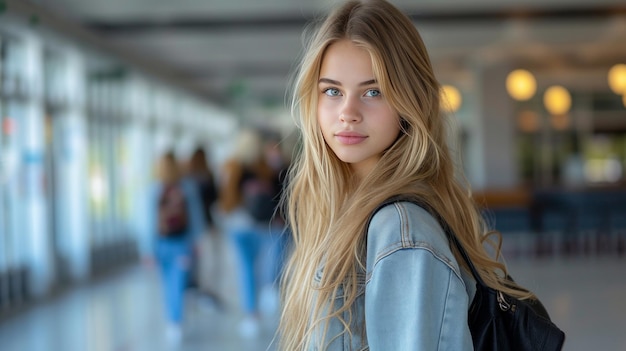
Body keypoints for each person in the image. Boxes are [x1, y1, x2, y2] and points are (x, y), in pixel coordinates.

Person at [277, 1, 539, 350]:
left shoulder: (401, 231)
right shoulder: (348, 210)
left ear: (408, 101)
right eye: (332, 91)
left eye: (373, 91)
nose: (348, 113)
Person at [217, 129, 284, 338]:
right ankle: (266, 291)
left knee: (246, 268)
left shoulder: (231, 166)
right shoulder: (264, 168)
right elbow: (277, 193)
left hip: (238, 225)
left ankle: (251, 315)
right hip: (261, 224)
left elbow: (225, 198)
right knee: (262, 263)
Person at [148, 151, 205, 345]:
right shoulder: (187, 186)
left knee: (167, 284)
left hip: (161, 245)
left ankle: (173, 321)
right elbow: (196, 217)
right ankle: (176, 321)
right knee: (178, 283)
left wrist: (148, 250)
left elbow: (147, 223)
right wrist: (196, 241)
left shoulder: (154, 189)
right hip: (182, 244)